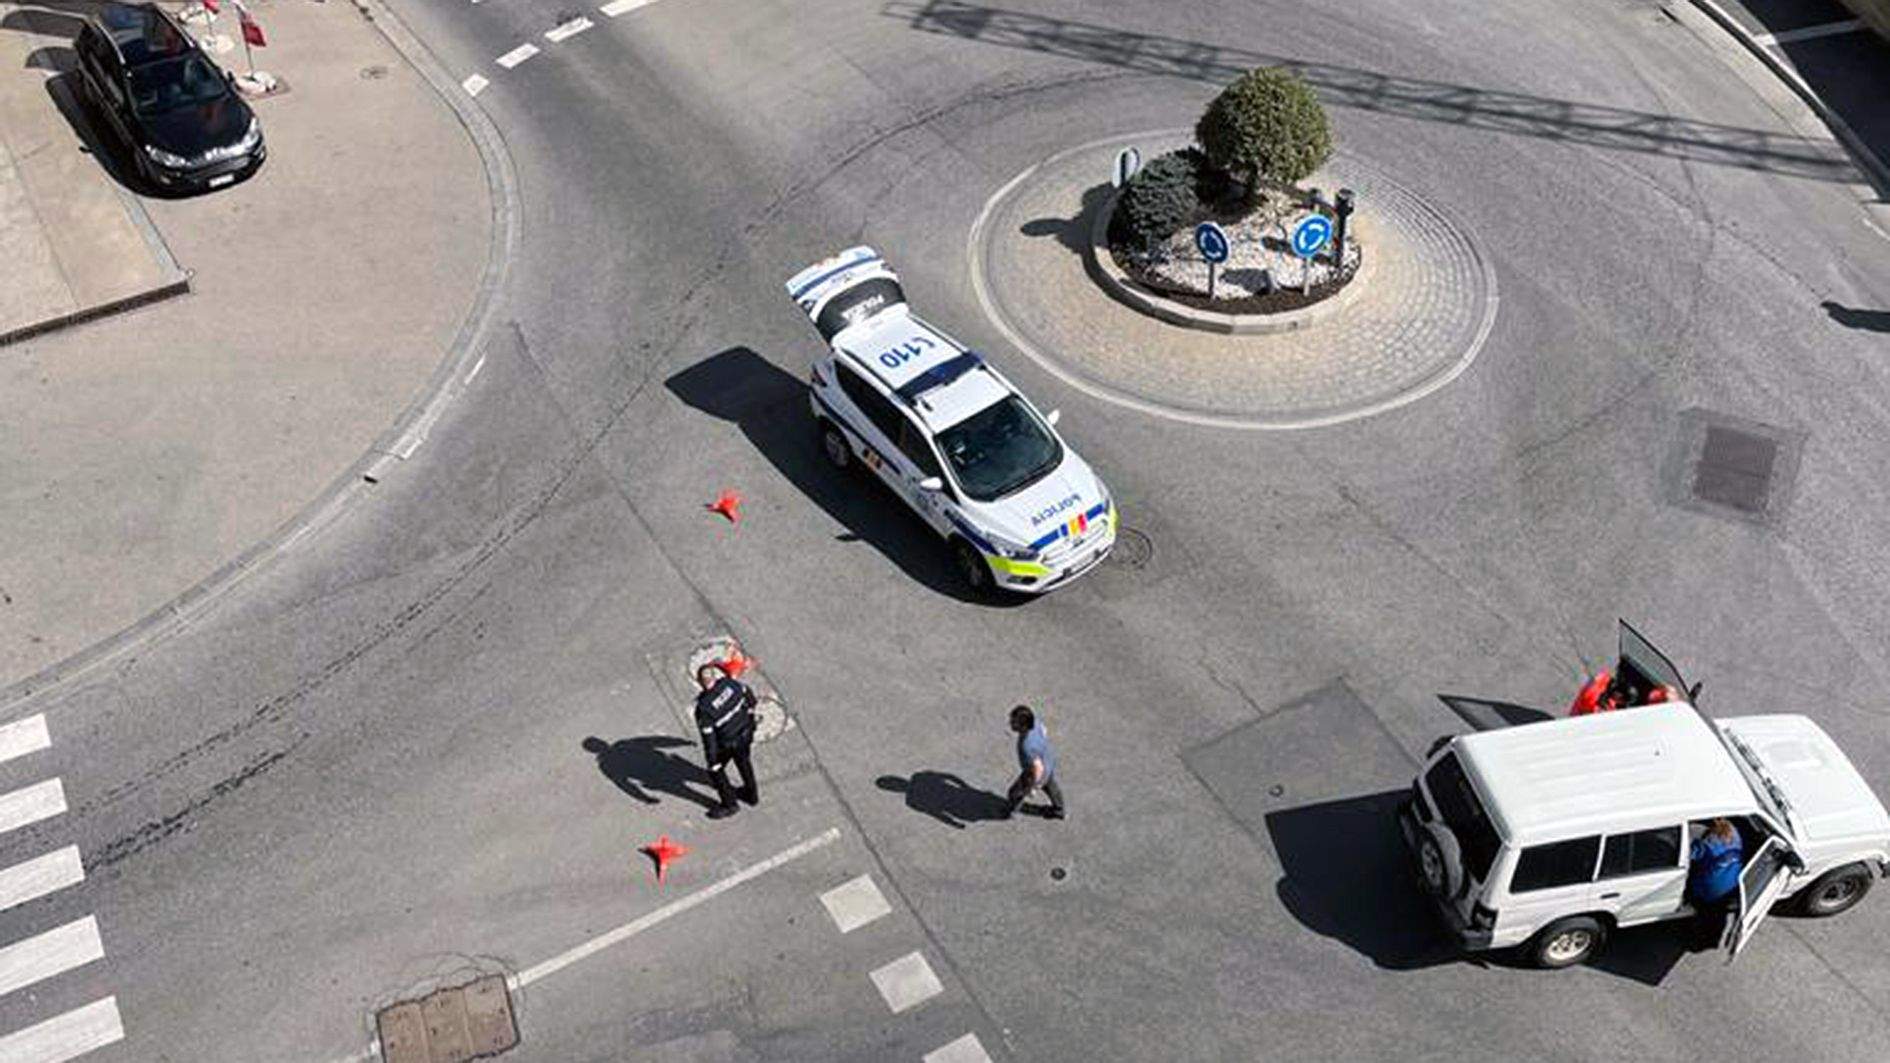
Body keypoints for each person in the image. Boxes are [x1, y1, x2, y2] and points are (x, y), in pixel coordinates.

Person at [693, 663, 759, 819]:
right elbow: (748, 694)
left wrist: (712, 761)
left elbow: (709, 739)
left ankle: (729, 804)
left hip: (728, 743)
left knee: (716, 770)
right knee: (744, 763)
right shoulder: (730, 684)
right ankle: (752, 795)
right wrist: (750, 714)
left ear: (701, 682)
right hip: (746, 734)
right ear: (714, 677)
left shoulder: (704, 709)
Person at [1003, 705, 1064, 820]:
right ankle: (1059, 810)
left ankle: (1012, 811)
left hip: (1034, 772)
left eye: (1014, 722)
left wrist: (1032, 786)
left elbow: (1037, 769)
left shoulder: (1027, 746)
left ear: (1024, 726)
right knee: (1051, 786)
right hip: (1048, 760)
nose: (1010, 723)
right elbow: (1044, 730)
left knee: (1014, 793)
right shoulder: (1035, 722)